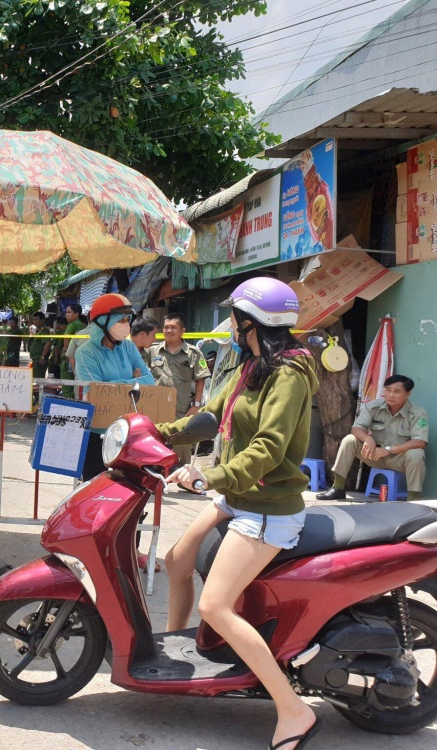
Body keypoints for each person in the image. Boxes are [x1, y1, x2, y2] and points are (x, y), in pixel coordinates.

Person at [159, 277, 321, 750]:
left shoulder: (288, 375)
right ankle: (177, 659)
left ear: (250, 323)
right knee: (177, 560)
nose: (229, 324)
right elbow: (209, 415)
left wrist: (211, 477)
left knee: (215, 605)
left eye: (234, 317)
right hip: (240, 497)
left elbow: (269, 448)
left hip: (268, 507)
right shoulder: (252, 366)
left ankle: (294, 712)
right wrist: (154, 434)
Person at [74, 293, 155, 480]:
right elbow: (97, 392)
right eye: (121, 320)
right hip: (97, 432)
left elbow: (149, 382)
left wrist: (112, 386)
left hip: (127, 431)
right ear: (103, 321)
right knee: (94, 487)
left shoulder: (128, 347)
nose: (126, 326)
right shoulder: (85, 353)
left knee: (128, 488)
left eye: (128, 320)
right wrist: (133, 382)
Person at [317, 374, 428, 501]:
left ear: (407, 394)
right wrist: (368, 439)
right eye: (388, 390)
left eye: (396, 391)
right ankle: (337, 488)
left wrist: (387, 450)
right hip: (374, 455)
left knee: (416, 454)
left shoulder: (418, 413)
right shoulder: (373, 407)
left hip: (398, 458)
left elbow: (420, 442)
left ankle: (413, 498)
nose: (391, 395)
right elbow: (356, 429)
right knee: (349, 440)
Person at [148, 313, 211, 464]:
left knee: (182, 453)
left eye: (173, 327)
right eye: (166, 327)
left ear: (183, 331)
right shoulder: (152, 351)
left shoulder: (193, 353)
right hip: (156, 411)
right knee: (154, 450)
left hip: (181, 412)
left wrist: (196, 406)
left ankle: (183, 481)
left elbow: (200, 379)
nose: (168, 331)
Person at [60, 303, 83, 398]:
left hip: (69, 359)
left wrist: (65, 350)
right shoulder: (81, 325)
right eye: (66, 312)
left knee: (67, 386)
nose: (67, 315)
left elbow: (66, 337)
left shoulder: (72, 325)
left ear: (77, 314)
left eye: (69, 312)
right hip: (78, 359)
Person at [28, 312, 50, 380]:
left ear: (42, 320)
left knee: (38, 382)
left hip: (39, 361)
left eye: (36, 319)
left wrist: (42, 357)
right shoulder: (39, 330)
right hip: (36, 360)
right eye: (33, 320)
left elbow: (48, 343)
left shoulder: (44, 330)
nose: (34, 321)